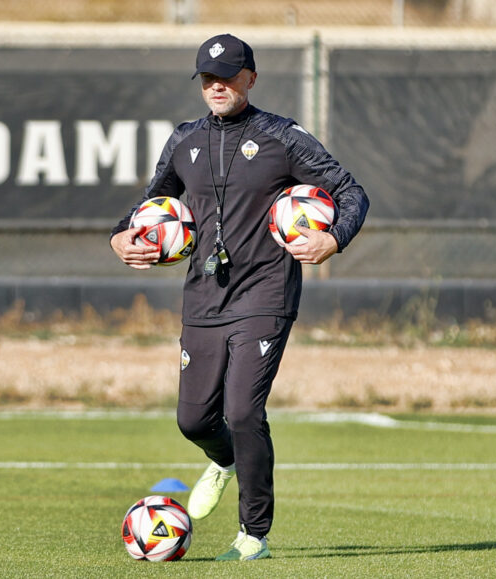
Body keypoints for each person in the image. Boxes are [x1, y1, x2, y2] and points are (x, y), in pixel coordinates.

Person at [110, 33, 369, 561]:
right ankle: (223, 460)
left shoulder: (282, 137)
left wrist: (333, 237)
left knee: (245, 411)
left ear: (251, 78)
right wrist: (121, 236)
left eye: (228, 75)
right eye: (208, 78)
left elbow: (351, 192)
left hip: (266, 294)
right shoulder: (185, 141)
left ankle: (254, 534)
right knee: (194, 421)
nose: (217, 85)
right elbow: (149, 204)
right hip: (204, 296)